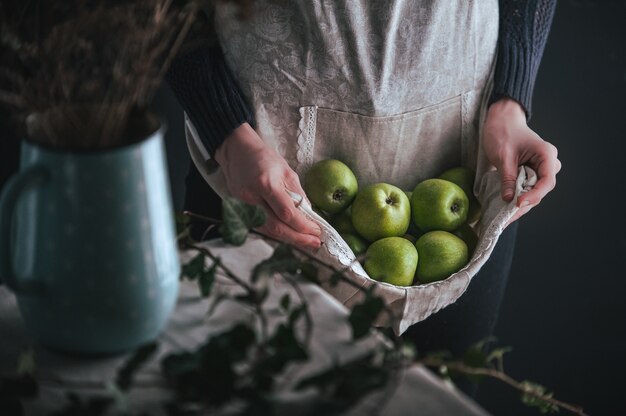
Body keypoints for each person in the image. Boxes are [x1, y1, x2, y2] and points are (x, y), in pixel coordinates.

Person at [166, 0, 560, 393]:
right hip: (257, 178)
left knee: (439, 400)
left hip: (466, 171)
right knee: (248, 394)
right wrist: (225, 130)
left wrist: (511, 99)